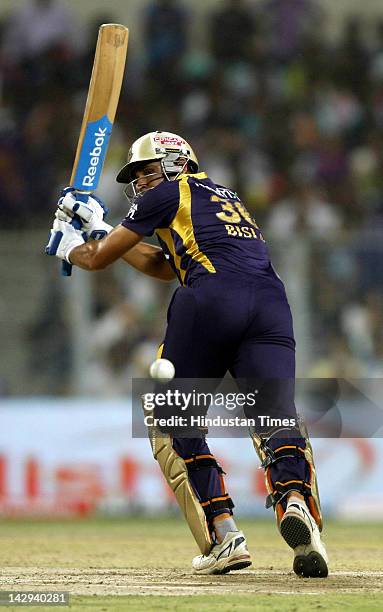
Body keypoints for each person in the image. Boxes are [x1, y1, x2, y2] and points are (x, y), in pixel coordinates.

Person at [46, 130, 328, 577]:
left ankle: (224, 532)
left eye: (146, 170)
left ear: (176, 163)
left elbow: (97, 259)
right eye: (135, 177)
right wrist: (99, 232)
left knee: (169, 414)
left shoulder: (168, 192)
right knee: (274, 415)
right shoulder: (225, 195)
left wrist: (71, 244)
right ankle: (297, 504)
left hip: (210, 299)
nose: (141, 183)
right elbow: (165, 264)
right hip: (271, 304)